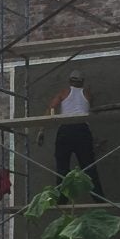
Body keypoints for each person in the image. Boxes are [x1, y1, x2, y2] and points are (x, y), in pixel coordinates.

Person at [46, 70, 105, 199]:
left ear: (70, 81)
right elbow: (90, 110)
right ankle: (99, 199)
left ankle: (62, 201)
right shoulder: (88, 94)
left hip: (65, 129)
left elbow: (51, 107)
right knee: (89, 168)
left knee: (62, 169)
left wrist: (43, 128)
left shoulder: (63, 92)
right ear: (82, 82)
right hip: (82, 130)